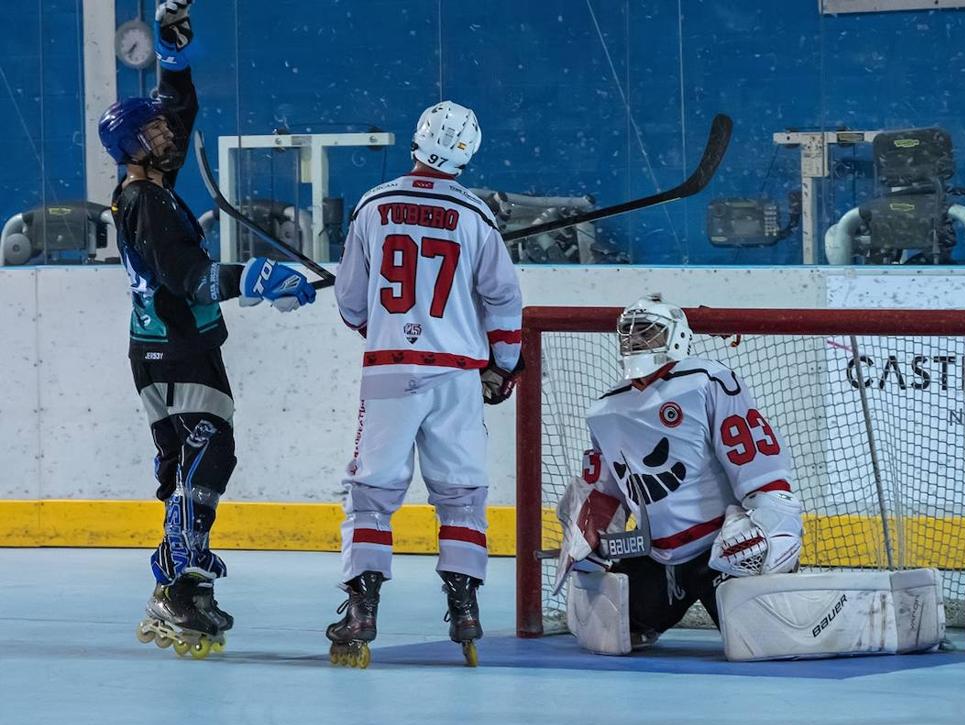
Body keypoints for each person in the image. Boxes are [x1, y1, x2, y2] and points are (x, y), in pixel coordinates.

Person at [103, 0, 317, 658]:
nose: (168, 135)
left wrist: (173, 52)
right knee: (208, 452)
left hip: (175, 347)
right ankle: (180, 583)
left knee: (191, 460)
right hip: (171, 352)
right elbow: (191, 278)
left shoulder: (150, 185)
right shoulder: (144, 202)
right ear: (136, 150)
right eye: (155, 134)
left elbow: (176, 107)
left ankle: (178, 582)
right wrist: (257, 278)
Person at [325, 100, 522, 668]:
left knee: (371, 494)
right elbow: (505, 301)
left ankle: (362, 608)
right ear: (468, 154)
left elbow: (351, 303)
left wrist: (381, 323)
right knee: (461, 494)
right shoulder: (477, 217)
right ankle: (464, 607)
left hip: (389, 367)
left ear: (417, 139)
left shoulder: (372, 205)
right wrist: (502, 364)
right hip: (457, 373)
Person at [554, 294, 805, 655]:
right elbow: (606, 491)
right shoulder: (605, 410)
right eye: (629, 332)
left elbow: (757, 462)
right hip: (661, 559)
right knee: (606, 634)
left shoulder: (706, 380)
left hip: (722, 551)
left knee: (766, 640)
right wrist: (586, 539)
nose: (636, 341)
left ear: (677, 337)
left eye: (649, 332)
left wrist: (775, 528)